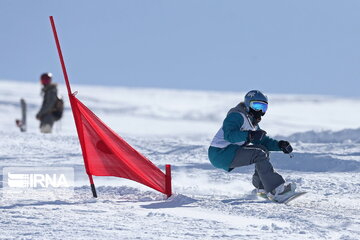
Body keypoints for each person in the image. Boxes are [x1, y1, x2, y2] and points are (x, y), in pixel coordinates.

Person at [208, 90, 295, 202]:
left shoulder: (251, 122)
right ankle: (276, 190)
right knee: (259, 152)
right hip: (220, 152)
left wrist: (279, 145)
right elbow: (229, 135)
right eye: (256, 105)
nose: (259, 110)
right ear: (248, 104)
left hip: (228, 152)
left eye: (263, 108)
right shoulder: (237, 115)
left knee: (262, 150)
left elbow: (262, 141)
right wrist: (249, 135)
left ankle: (262, 189)